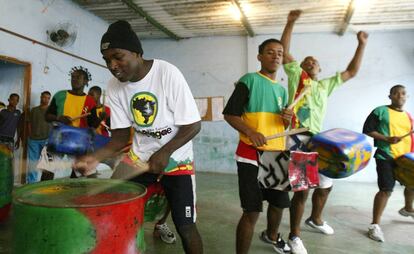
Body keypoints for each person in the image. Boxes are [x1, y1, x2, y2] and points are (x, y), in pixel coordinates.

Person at [74, 20, 203, 253]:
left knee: (185, 226)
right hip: (138, 158)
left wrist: (165, 152)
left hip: (178, 161)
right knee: (112, 206)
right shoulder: (113, 86)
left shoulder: (167, 73)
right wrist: (95, 157)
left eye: (118, 56)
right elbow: (120, 138)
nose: (112, 65)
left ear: (137, 53)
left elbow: (193, 125)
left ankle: (165, 223)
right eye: (107, 60)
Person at [281, 10, 368, 254]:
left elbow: (351, 72)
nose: (310, 62)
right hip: (299, 139)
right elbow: (286, 51)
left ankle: (316, 219)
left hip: (321, 141)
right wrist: (290, 22)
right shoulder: (296, 76)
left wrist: (361, 44)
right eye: (306, 61)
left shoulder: (324, 85)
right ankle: (294, 237)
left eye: (314, 61)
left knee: (326, 185)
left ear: (319, 68)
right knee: (302, 190)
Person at [223, 38, 293, 254]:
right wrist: (251, 132)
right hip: (250, 154)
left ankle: (272, 236)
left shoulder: (282, 91)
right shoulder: (249, 80)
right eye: (270, 52)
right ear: (260, 57)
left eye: (280, 52)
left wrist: (288, 119)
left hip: (276, 155)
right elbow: (230, 114)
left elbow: (283, 125)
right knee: (252, 211)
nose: (276, 56)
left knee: (279, 203)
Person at [363, 85, 414, 242]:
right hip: (386, 155)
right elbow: (367, 130)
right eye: (396, 93)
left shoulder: (408, 116)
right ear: (390, 96)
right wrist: (386, 139)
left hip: (404, 157)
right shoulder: (380, 111)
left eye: (403, 93)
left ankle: (408, 209)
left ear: (407, 97)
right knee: (386, 190)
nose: (400, 96)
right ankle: (374, 226)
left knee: (412, 184)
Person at [40, 66, 96, 180]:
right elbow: (47, 116)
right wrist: (58, 118)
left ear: (85, 81)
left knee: (79, 174)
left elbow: (92, 125)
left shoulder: (90, 101)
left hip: (79, 141)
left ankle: (74, 196)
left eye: (78, 77)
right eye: (73, 77)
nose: (74, 79)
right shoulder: (60, 95)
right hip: (57, 137)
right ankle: (44, 194)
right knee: (47, 171)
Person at [27, 91, 51, 183]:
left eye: (48, 98)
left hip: (47, 140)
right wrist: (30, 135)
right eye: (44, 97)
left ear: (49, 99)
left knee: (47, 163)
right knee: (33, 163)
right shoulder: (34, 110)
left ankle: (45, 183)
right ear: (41, 97)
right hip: (33, 140)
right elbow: (29, 123)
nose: (45, 99)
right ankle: (31, 183)